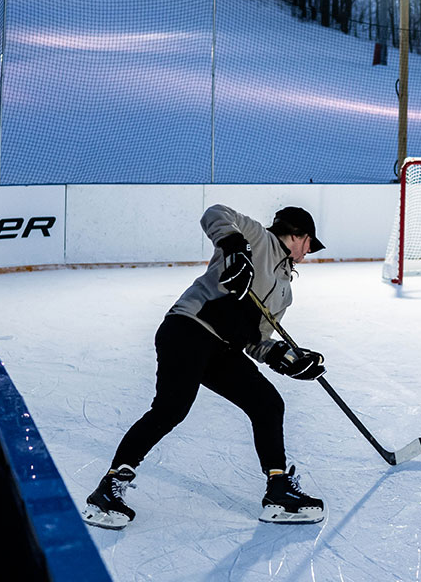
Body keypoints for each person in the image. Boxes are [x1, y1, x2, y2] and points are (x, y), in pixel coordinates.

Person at [82, 205, 330, 529]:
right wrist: (234, 246)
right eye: (309, 244)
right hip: (189, 327)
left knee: (268, 403)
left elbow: (256, 341)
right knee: (171, 408)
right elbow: (214, 214)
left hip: (222, 350)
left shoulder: (285, 291)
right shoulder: (256, 237)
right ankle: (109, 489)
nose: (308, 253)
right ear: (298, 236)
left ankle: (279, 490)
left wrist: (284, 357)